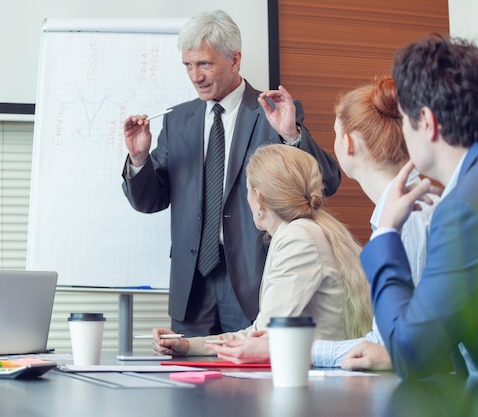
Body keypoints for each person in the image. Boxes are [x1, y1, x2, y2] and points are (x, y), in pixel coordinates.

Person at [121, 10, 341, 337]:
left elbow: (327, 182)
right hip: (192, 286)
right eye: (188, 65)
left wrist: (292, 135)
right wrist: (138, 158)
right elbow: (150, 201)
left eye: (205, 64)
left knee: (250, 382)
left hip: (253, 280)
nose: (195, 76)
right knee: (188, 382)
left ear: (235, 59)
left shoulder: (273, 113)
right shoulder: (177, 120)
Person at [203, 77, 437, 367]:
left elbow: (390, 348)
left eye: (335, 133)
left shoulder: (409, 216)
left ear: (348, 144)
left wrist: (284, 349)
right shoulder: (399, 213)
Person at [151, 144, 371, 357]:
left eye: (247, 191)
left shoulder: (297, 237)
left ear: (259, 197)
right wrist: (188, 345)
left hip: (315, 378)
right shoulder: (308, 230)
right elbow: (259, 334)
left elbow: (260, 337)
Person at [361, 34, 478, 379]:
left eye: (402, 118)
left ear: (426, 121)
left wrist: (385, 232)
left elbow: (413, 351)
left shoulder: (460, 209)